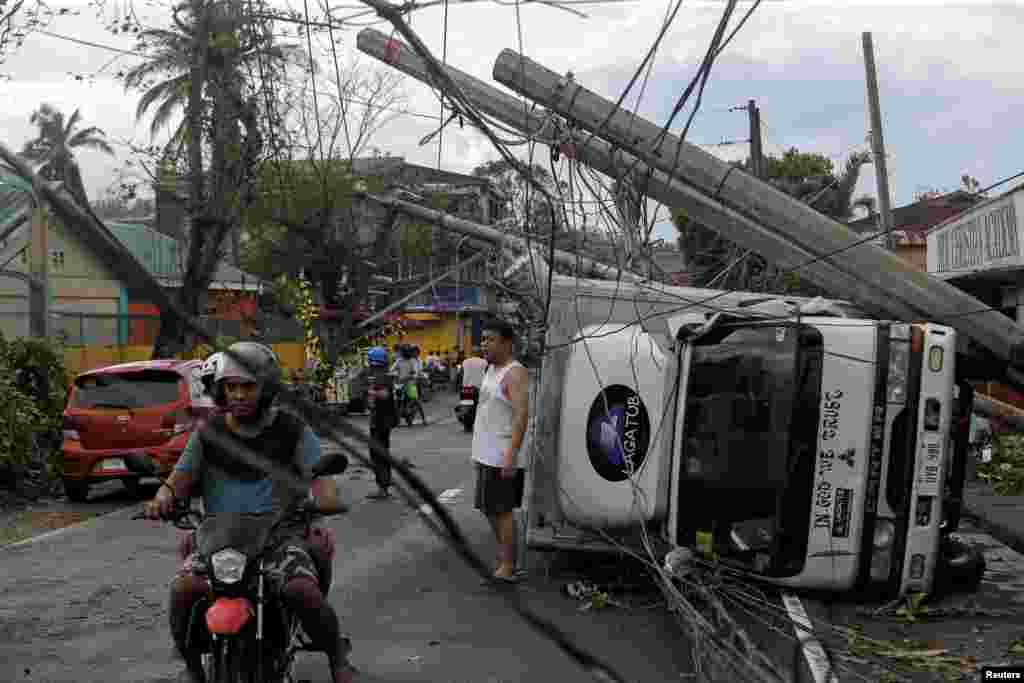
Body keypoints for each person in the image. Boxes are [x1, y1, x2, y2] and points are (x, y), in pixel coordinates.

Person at [143, 342, 356, 683]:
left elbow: (321, 478)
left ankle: (337, 657)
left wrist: (325, 498)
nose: (238, 395)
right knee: (183, 588)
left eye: (248, 386)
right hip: (218, 541)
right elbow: (176, 482)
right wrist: (161, 499)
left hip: (277, 539)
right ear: (220, 389)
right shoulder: (208, 433)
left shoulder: (292, 430)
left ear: (267, 388)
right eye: (231, 387)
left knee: (301, 591)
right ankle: (193, 666)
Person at [472, 319, 530, 584]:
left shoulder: (514, 372)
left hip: (501, 453)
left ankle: (508, 566)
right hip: (485, 451)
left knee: (502, 510)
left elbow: (520, 415)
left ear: (507, 342)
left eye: (490, 339)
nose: (484, 344)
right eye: (483, 339)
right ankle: (504, 559)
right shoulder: (491, 369)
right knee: (488, 508)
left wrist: (511, 454)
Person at [365, 346, 397, 500]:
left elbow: (384, 394)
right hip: (382, 421)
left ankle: (382, 487)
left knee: (377, 454)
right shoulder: (382, 375)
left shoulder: (380, 376)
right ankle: (384, 485)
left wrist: (372, 393)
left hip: (380, 422)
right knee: (381, 452)